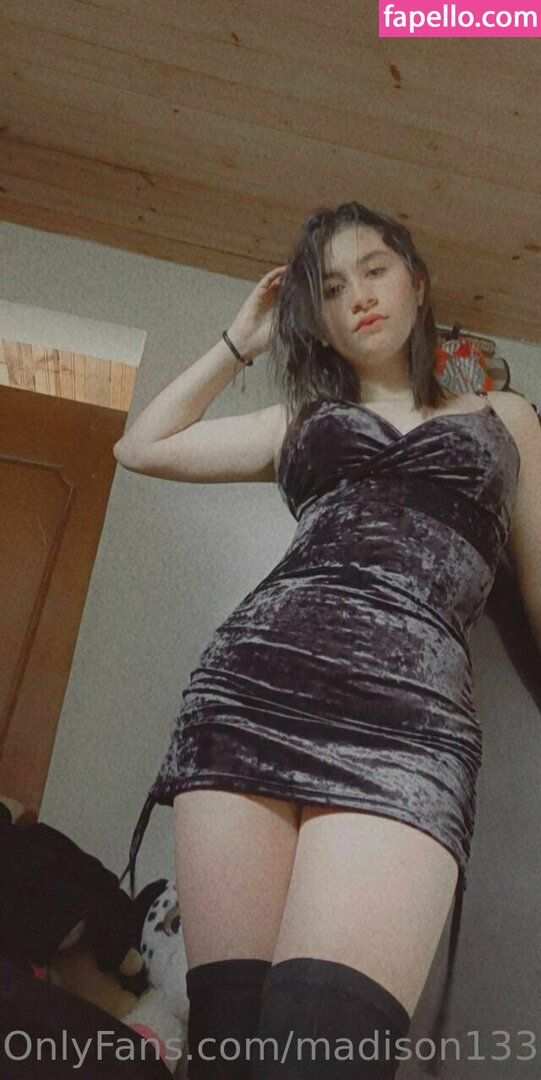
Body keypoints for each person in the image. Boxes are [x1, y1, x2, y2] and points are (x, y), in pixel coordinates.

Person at [114, 202, 541, 1079]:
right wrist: (241, 341)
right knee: (227, 1051)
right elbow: (141, 445)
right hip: (250, 699)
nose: (359, 298)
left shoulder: (506, 418)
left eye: (374, 271)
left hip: (410, 728)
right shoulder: (303, 420)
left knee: (324, 1057)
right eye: (332, 288)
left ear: (416, 283)